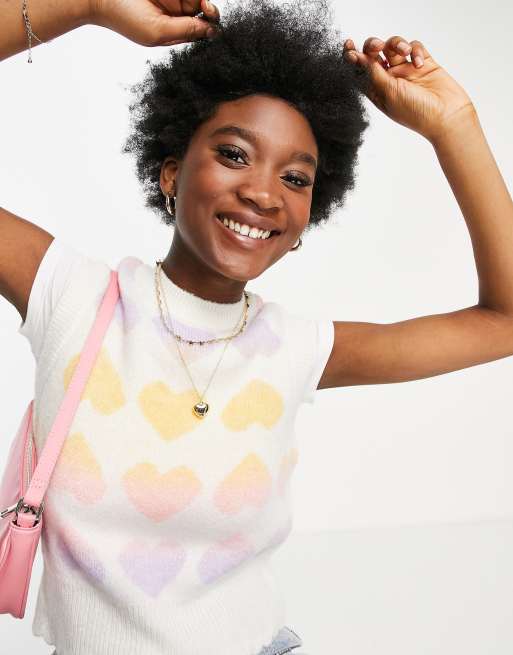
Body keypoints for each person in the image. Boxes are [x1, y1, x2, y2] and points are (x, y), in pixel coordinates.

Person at [1, 0, 512, 654]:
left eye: (295, 178)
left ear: (304, 221)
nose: (263, 193)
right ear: (171, 171)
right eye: (234, 154)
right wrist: (87, 6)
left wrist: (453, 125)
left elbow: (503, 321)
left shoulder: (294, 348)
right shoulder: (70, 295)